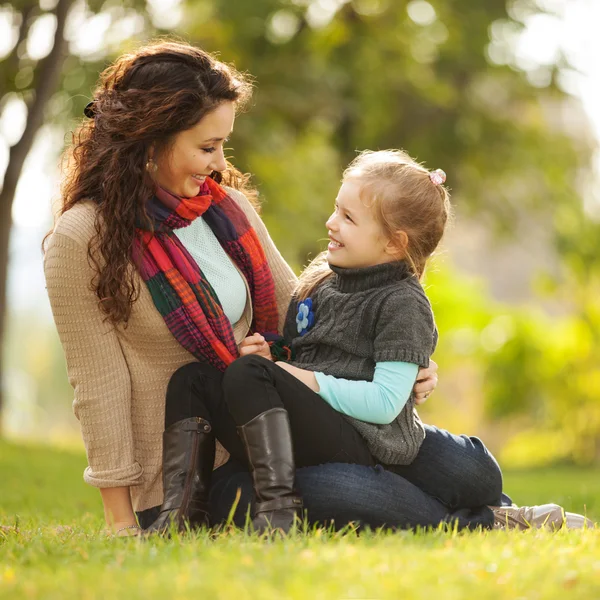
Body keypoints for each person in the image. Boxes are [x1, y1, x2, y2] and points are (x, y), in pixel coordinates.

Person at [44, 41, 589, 537]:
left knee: (469, 472)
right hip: (199, 471)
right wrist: (120, 520)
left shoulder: (221, 207)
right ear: (151, 139)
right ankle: (487, 526)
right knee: (342, 490)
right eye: (207, 147)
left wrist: (401, 363)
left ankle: (488, 507)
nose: (218, 165)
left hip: (297, 420)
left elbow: (297, 307)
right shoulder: (81, 239)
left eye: (222, 146)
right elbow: (99, 388)